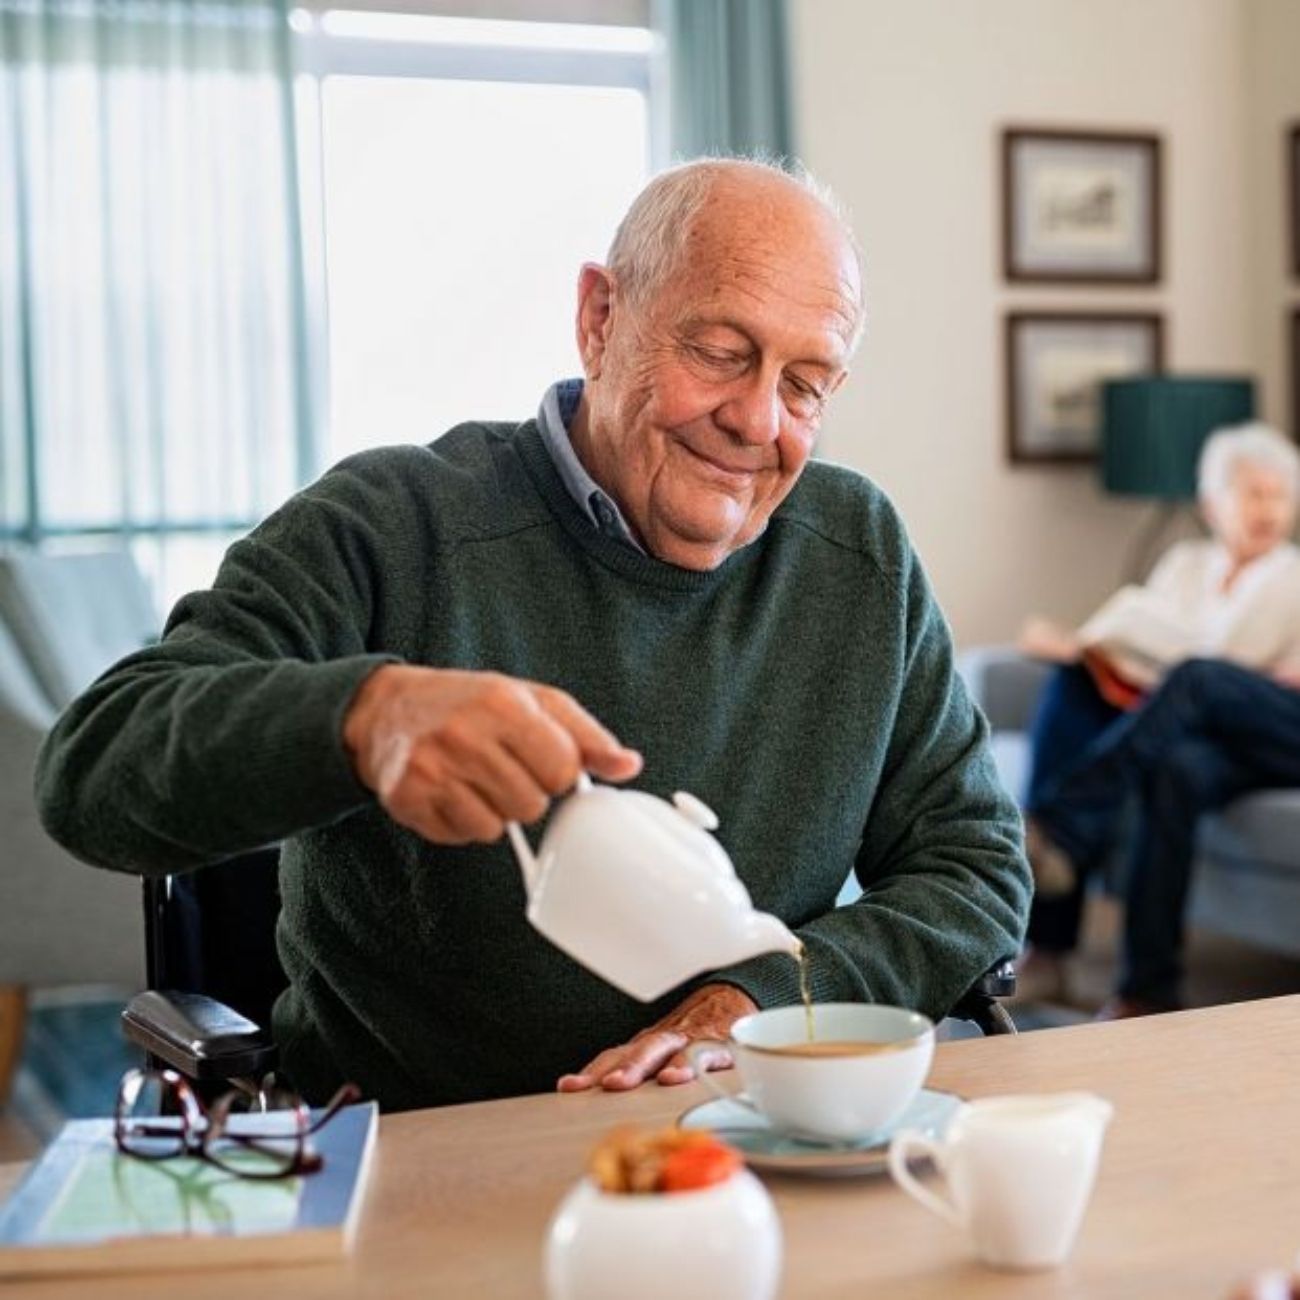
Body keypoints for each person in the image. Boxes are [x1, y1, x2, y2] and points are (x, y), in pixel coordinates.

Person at [35, 159, 1029, 1112]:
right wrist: (362, 719)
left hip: (748, 1146)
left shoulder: (855, 554)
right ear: (600, 319)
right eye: (721, 353)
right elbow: (91, 773)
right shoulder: (391, 527)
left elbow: (974, 868)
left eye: (805, 383)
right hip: (419, 1157)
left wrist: (761, 1003)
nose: (758, 418)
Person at [1016, 423, 1300, 1014]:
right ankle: (1147, 987)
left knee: (1197, 676)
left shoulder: (1292, 574)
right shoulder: (1187, 563)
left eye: (1279, 495)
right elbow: (1145, 638)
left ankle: (1061, 825)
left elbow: (1229, 666)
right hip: (1213, 732)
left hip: (1283, 722)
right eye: (1253, 494)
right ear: (1211, 504)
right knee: (1171, 763)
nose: (1268, 509)